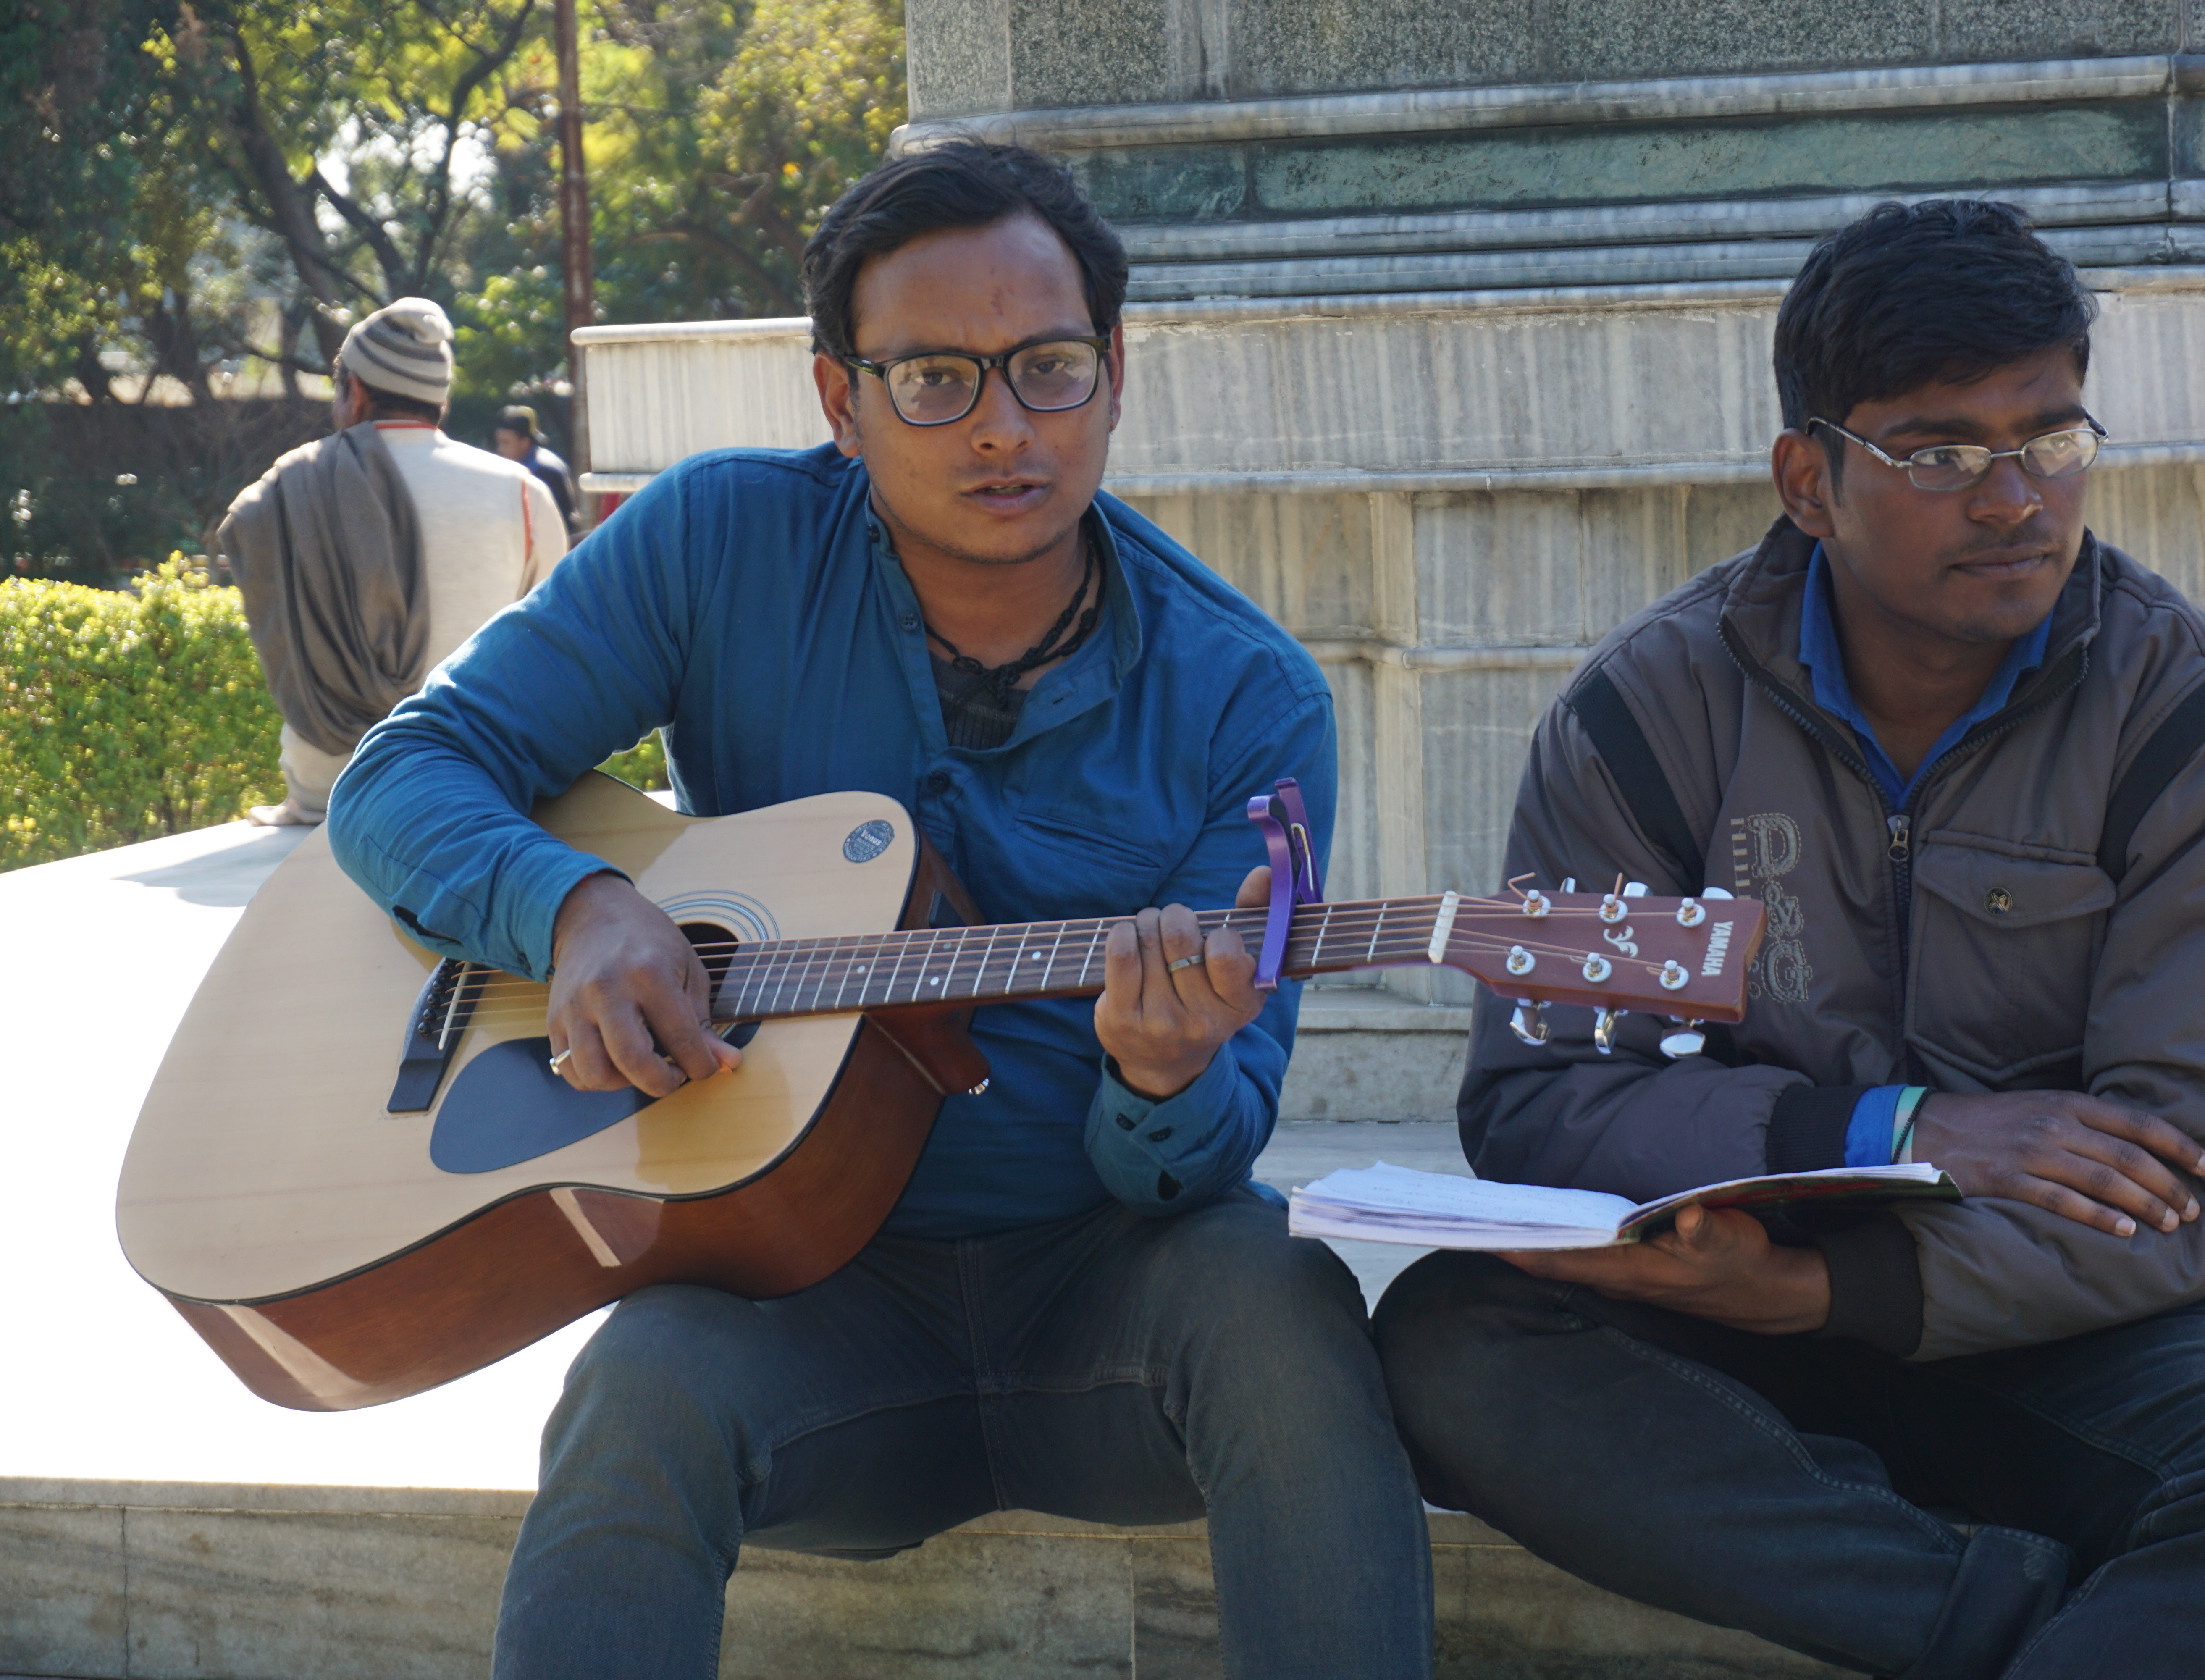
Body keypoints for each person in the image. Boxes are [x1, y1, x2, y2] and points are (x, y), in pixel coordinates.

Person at [324, 141, 1432, 1678]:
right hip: (793, 1281)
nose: (1001, 427)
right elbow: (405, 771)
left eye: (1048, 367)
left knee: (1285, 1304)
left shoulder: (1252, 697)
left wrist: (1162, 1078)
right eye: (932, 380)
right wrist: (570, 907)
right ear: (839, 400)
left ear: (1115, 373)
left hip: (1109, 1291)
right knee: (636, 1387)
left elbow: (1206, 1153)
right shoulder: (719, 543)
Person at [1371, 200, 2205, 1680]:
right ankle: (2015, 1632)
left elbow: (2191, 1180)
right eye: (1939, 454)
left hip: (2078, 1316)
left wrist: (1836, 1291)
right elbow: (1541, 1108)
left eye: (2050, 439)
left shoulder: (2204, 732)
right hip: (1723, 1294)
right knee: (1449, 1343)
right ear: (1809, 480)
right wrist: (1893, 1133)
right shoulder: (1639, 724)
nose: (2016, 499)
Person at [218, 298, 567, 825]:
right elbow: (554, 654)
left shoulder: (287, 488)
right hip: (475, 790)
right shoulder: (523, 493)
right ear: (439, 399)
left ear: (353, 392)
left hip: (330, 797)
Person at [491, 404, 581, 534]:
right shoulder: (541, 461)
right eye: (499, 443)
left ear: (525, 443)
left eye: (506, 443)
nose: (500, 450)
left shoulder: (537, 471)